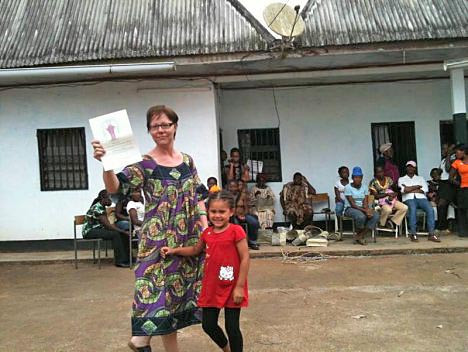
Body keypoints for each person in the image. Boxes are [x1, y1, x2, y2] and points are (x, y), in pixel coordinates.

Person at [92, 105, 209, 352]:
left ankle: (148, 344)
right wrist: (106, 164)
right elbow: (114, 188)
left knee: (174, 304)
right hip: (156, 245)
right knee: (152, 295)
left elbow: (198, 197)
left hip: (185, 242)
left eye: (166, 124)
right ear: (149, 131)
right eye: (155, 126)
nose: (161, 130)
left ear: (175, 127)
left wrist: (206, 230)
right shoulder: (144, 164)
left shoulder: (187, 161)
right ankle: (140, 341)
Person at [160, 191, 249, 352]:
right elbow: (195, 250)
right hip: (211, 286)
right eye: (213, 211)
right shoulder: (207, 233)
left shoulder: (236, 231)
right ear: (208, 212)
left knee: (232, 327)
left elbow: (245, 258)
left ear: (231, 212)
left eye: (222, 212)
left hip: (232, 286)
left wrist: (240, 287)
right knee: (208, 325)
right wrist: (174, 250)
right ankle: (226, 348)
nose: (217, 215)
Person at [82, 190, 130, 267]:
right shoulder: (98, 208)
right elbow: (108, 225)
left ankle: (127, 258)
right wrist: (123, 231)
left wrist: (123, 232)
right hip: (90, 231)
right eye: (109, 198)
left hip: (98, 229)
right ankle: (120, 261)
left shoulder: (101, 206)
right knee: (116, 234)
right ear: (103, 198)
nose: (111, 201)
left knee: (120, 233)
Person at [398, 161, 440, 242]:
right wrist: (417, 187)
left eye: (412, 167)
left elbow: (425, 190)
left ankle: (431, 234)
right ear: (406, 168)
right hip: (408, 199)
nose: (410, 168)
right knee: (412, 209)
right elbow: (403, 190)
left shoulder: (420, 178)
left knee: (430, 209)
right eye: (409, 166)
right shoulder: (401, 179)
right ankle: (413, 234)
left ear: (415, 168)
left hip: (421, 198)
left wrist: (409, 188)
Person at [344, 167, 379, 245]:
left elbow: (365, 201)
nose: (358, 179)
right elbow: (352, 204)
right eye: (356, 177)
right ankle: (359, 236)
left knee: (376, 215)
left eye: (360, 177)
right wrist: (365, 211)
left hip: (362, 208)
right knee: (361, 216)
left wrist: (368, 210)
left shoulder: (364, 187)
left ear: (362, 177)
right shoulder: (347, 188)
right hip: (350, 208)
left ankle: (359, 236)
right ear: (352, 178)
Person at [228, 180, 260, 250]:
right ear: (228, 187)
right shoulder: (226, 196)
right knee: (236, 225)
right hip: (232, 216)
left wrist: (243, 215)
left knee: (254, 222)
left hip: (243, 214)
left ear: (237, 187)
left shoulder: (242, 195)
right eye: (231, 187)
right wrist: (236, 215)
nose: (233, 188)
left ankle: (252, 242)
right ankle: (240, 244)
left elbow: (246, 208)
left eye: (234, 187)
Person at [437, 144, 457, 232]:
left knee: (442, 204)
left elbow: (448, 169)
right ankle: (443, 227)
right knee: (441, 205)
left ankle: (442, 227)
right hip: (442, 184)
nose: (442, 150)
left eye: (444, 149)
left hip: (449, 184)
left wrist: (449, 154)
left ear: (450, 150)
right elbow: (440, 170)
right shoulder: (443, 160)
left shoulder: (453, 158)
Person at [450, 145, 468, 237]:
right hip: (463, 189)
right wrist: (459, 184)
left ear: (463, 151)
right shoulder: (456, 162)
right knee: (462, 210)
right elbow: (451, 177)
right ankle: (464, 232)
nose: (456, 154)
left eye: (457, 152)